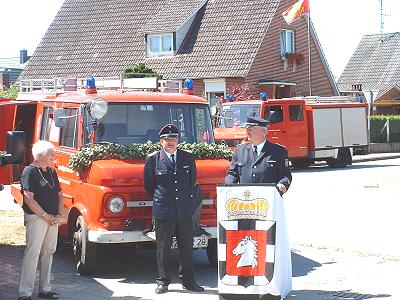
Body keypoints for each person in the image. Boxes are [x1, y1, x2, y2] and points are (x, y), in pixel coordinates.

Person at [144, 124, 204, 294]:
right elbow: (149, 185)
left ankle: (188, 280)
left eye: (173, 139)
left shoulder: (187, 157)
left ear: (178, 140)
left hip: (184, 211)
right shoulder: (153, 159)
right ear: (161, 141)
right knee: (163, 248)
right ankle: (163, 281)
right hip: (164, 210)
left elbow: (192, 182)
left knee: (187, 247)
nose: (170, 142)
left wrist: (188, 204)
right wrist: (163, 199)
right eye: (167, 139)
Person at [18, 141, 64, 300]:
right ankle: (25, 294)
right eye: (51, 154)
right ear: (40, 155)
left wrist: (58, 214)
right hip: (37, 218)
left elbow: (60, 195)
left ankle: (45, 289)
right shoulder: (29, 172)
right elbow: (29, 200)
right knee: (33, 254)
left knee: (48, 253)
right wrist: (46, 216)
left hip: (52, 219)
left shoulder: (52, 171)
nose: (54, 156)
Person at [225, 116, 292, 194]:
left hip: (268, 198)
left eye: (251, 129)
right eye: (247, 129)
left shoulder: (278, 151)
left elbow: (285, 175)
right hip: (245, 199)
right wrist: (229, 186)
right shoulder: (239, 150)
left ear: (263, 132)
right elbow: (232, 173)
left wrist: (282, 184)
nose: (248, 132)